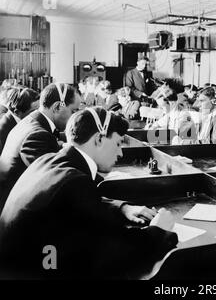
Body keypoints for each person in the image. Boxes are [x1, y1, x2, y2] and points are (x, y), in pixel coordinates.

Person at [0, 107, 177, 278]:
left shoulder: (49, 160)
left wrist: (122, 208)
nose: (120, 152)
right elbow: (115, 249)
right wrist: (158, 230)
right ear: (99, 139)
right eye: (117, 143)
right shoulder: (76, 181)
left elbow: (77, 204)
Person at [0, 83, 81, 211]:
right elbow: (58, 180)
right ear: (57, 107)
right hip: (16, 211)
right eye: (74, 111)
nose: (76, 118)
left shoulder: (31, 121)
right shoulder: (37, 135)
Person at [0, 87, 40, 155]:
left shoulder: (14, 120)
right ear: (17, 112)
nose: (37, 114)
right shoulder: (5, 129)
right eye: (33, 111)